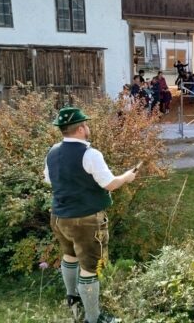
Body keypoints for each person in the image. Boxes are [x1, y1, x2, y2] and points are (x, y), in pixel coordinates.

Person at [44, 106, 139, 323]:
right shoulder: (90, 154)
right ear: (80, 129)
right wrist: (126, 177)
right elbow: (110, 184)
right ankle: (93, 319)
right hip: (85, 220)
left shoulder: (52, 151)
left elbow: (49, 180)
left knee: (69, 256)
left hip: (58, 217)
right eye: (85, 124)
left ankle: (72, 297)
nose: (88, 128)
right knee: (89, 268)